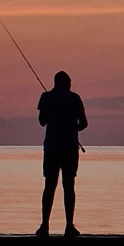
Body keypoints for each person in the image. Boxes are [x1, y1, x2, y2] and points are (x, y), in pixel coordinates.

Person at [35, 71, 87, 237]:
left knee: (49, 186)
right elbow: (84, 123)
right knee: (69, 186)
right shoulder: (75, 98)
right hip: (70, 148)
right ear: (67, 83)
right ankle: (69, 226)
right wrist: (72, 128)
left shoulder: (46, 97)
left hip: (51, 148)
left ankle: (44, 226)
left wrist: (53, 115)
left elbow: (42, 121)